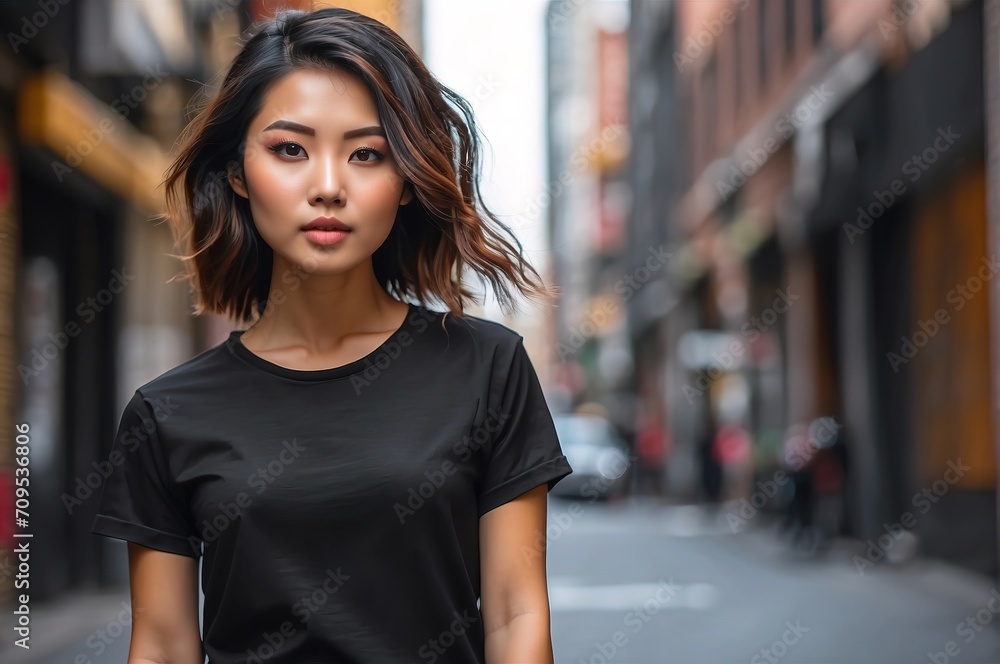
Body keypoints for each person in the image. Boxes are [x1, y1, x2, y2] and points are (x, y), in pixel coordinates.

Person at [90, 8, 573, 663]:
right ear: (238, 172)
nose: (327, 186)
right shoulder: (167, 413)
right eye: (290, 149)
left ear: (404, 181)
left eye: (366, 154)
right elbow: (164, 643)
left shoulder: (489, 368)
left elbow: (517, 618)